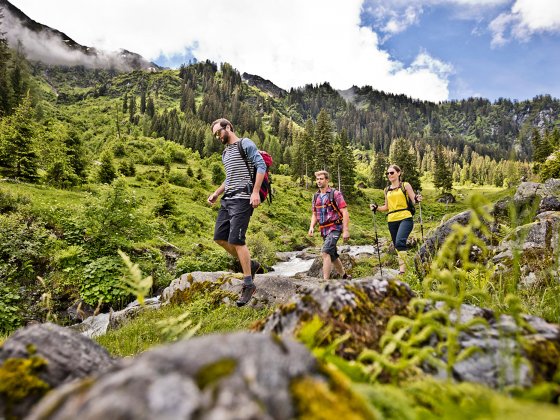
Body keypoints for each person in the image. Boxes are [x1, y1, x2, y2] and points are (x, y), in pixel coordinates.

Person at [207, 118, 266, 306]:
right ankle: (252, 265)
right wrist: (216, 193)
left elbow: (261, 166)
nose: (217, 137)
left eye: (219, 132)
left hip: (243, 199)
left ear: (229, 127)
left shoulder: (245, 143)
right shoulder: (225, 153)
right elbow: (229, 177)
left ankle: (249, 284)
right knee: (219, 238)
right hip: (227, 200)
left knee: (237, 241)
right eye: (215, 135)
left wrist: (255, 192)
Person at [370, 164, 422, 274]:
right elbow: (386, 207)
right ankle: (404, 268)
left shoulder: (405, 185)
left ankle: (402, 272)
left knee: (400, 242)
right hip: (391, 220)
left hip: (405, 217)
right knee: (397, 246)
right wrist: (376, 207)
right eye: (388, 173)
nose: (389, 175)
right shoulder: (386, 190)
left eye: (392, 172)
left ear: (398, 173)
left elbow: (414, 200)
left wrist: (417, 198)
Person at [308, 170, 352, 280]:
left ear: (327, 180)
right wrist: (311, 226)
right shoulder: (315, 197)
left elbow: (345, 212)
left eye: (321, 179)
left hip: (335, 227)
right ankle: (344, 276)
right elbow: (314, 214)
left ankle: (325, 282)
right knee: (332, 255)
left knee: (325, 251)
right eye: (317, 179)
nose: (319, 181)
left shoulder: (335, 194)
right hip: (324, 230)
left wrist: (345, 230)